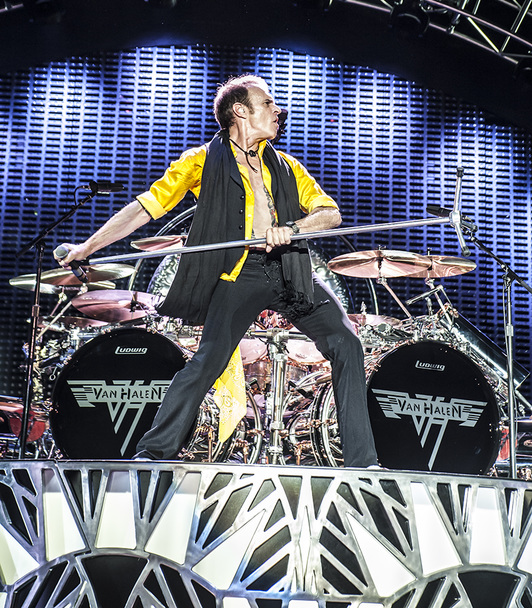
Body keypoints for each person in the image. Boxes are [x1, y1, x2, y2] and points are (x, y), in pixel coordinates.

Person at [55, 74, 378, 467]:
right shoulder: (200, 161)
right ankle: (153, 453)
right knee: (208, 360)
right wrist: (87, 247)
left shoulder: (288, 166)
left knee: (347, 343)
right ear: (240, 111)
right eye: (268, 103)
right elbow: (145, 208)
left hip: (290, 269)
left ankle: (362, 462)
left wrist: (293, 228)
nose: (278, 111)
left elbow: (329, 213)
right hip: (241, 272)